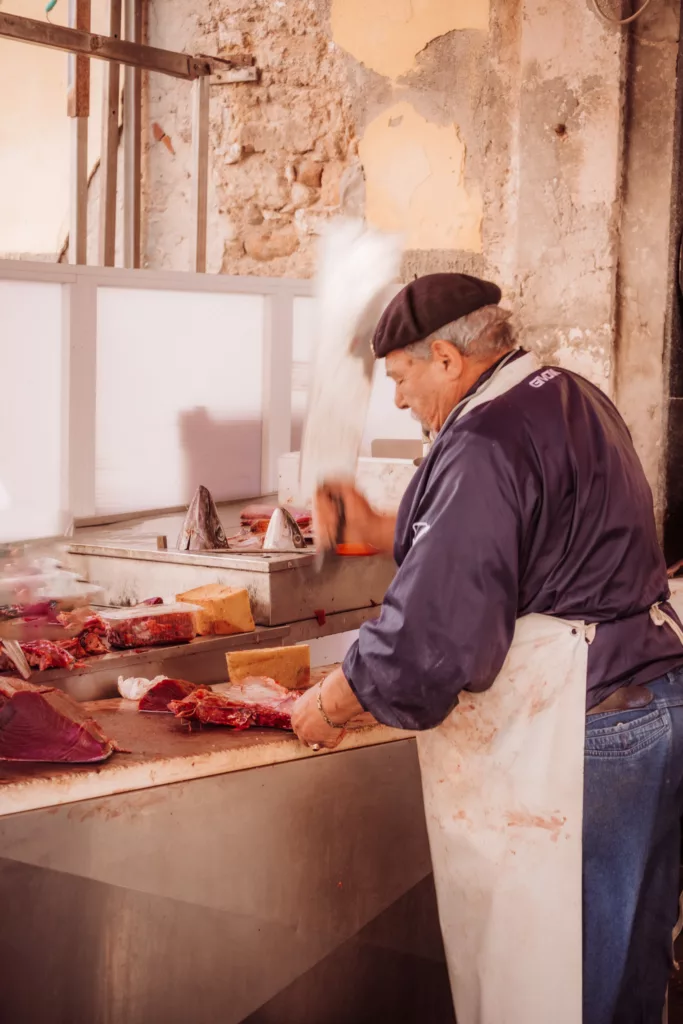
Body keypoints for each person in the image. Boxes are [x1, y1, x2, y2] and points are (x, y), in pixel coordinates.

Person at [291, 272, 683, 1024]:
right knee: (625, 964)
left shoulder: (482, 438)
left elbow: (431, 640)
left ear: (444, 357)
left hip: (584, 735)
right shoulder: (565, 394)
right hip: (654, 705)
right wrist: (384, 527)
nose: (400, 401)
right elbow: (526, 524)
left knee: (563, 980)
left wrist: (333, 700)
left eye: (401, 378)